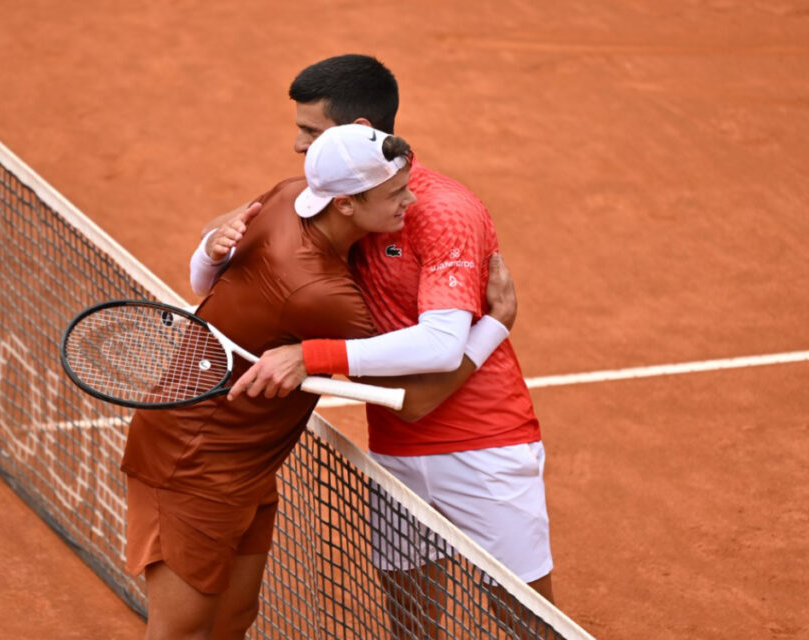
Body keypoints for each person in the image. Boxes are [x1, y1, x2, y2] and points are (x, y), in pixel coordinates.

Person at [193, 54, 554, 637]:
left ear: (359, 133)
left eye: (310, 133)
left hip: (484, 447)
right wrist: (213, 244)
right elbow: (228, 273)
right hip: (394, 438)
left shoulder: (442, 212)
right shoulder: (320, 196)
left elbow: (439, 348)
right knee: (411, 624)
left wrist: (312, 357)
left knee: (525, 621)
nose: (297, 145)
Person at [121, 124, 515, 640]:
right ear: (347, 204)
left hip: (246, 461)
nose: (411, 199)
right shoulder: (323, 296)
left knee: (234, 620)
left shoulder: (288, 196)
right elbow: (421, 388)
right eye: (395, 193)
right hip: (193, 463)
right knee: (184, 631)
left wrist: (209, 251)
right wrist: (494, 325)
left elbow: (204, 280)